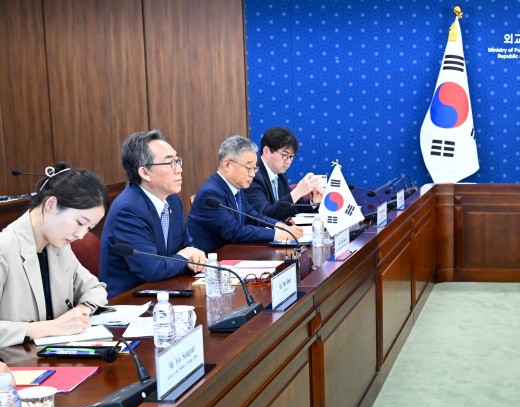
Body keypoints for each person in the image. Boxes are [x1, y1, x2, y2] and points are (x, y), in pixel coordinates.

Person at [0, 163, 109, 348]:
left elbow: (95, 288)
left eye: (89, 228)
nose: (81, 235)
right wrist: (52, 327)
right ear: (51, 204)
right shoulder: (4, 249)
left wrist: (82, 311)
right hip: (15, 360)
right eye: (79, 222)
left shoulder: (59, 246)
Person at [99, 130, 208, 298]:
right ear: (145, 173)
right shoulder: (128, 210)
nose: (179, 169)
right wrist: (185, 259)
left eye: (177, 161)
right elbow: (151, 269)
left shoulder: (173, 200)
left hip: (165, 290)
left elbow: (187, 246)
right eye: (170, 163)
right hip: (129, 301)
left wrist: (195, 255)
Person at [188, 136, 303, 253]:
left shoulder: (236, 187)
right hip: (211, 259)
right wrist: (276, 234)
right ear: (227, 165)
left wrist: (279, 225)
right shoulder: (210, 194)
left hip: (233, 254)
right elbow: (233, 231)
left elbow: (252, 216)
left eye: (254, 168)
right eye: (248, 168)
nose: (253, 174)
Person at [244, 127, 325, 220]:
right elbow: (263, 215)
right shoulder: (253, 175)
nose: (288, 161)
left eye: (291, 157)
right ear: (266, 151)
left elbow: (292, 205)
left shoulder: (280, 175)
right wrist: (298, 191)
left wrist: (313, 201)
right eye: (285, 155)